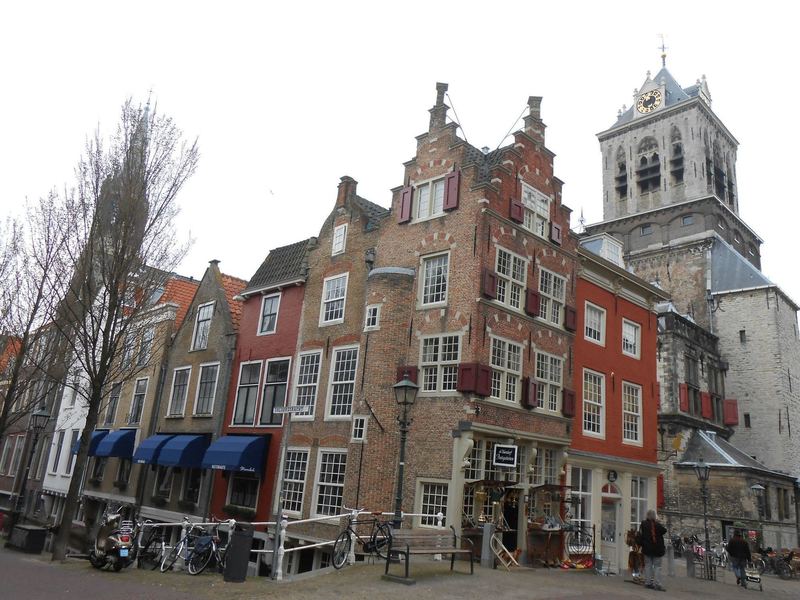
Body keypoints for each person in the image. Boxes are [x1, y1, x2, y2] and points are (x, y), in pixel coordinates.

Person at [639, 509, 667, 591]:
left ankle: (648, 582)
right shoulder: (657, 525)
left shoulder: (643, 524)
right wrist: (657, 522)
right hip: (657, 549)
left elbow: (641, 535)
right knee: (657, 567)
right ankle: (657, 584)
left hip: (647, 549)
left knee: (648, 566)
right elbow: (664, 530)